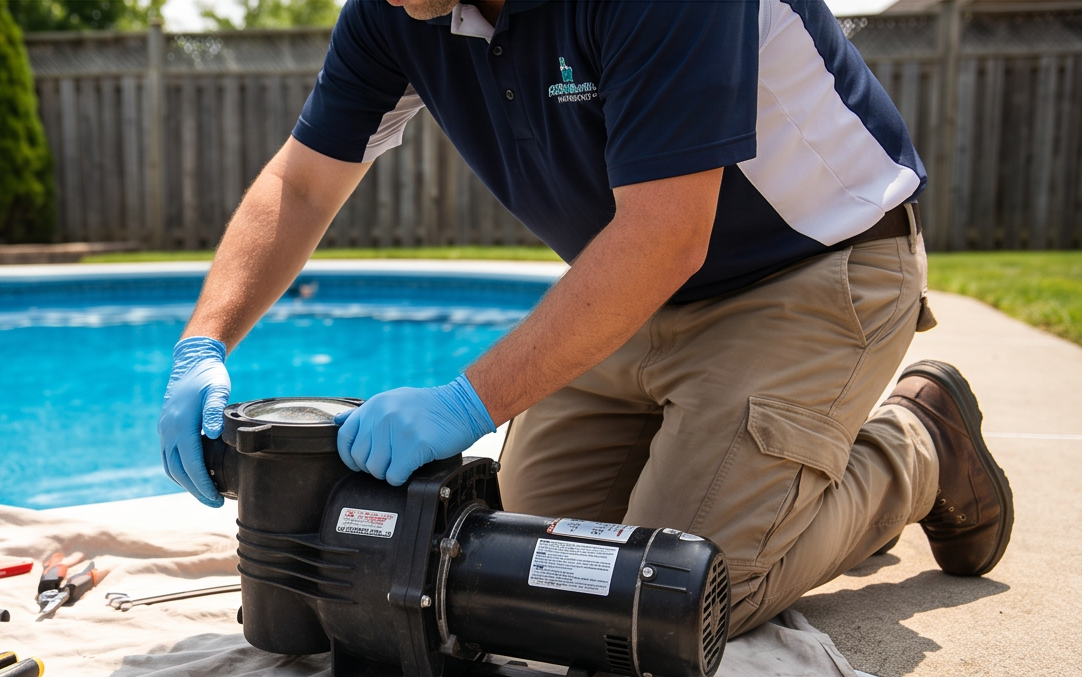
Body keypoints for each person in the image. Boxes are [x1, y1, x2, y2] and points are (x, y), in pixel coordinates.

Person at [159, 0, 1013, 637]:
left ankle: (916, 443)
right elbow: (303, 182)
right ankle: (779, 483)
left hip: (815, 268)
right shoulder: (395, 9)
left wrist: (464, 404)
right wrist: (203, 343)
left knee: (687, 587)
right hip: (629, 287)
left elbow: (666, 234)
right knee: (506, 576)